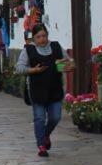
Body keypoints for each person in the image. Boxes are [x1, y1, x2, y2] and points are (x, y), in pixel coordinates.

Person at [16, 23, 72, 157]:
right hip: (37, 90)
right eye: (38, 37)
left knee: (55, 117)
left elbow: (67, 63)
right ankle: (41, 145)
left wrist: (67, 66)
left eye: (44, 36)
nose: (42, 39)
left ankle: (45, 134)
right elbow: (19, 68)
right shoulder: (28, 50)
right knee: (39, 118)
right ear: (34, 38)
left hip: (55, 88)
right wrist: (34, 70)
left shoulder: (56, 47)